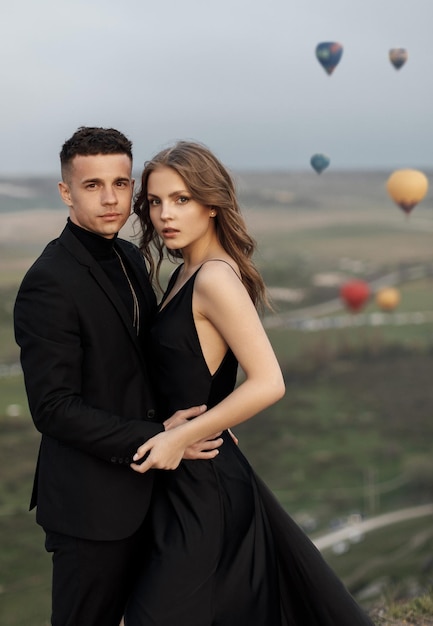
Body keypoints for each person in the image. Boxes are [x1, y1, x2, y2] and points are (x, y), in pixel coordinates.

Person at [123, 141, 375, 625]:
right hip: (184, 478)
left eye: (181, 199)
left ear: (211, 203)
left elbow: (268, 382)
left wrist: (183, 433)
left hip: (205, 484)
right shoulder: (184, 272)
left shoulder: (215, 277)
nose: (164, 215)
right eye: (155, 202)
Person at [13, 127, 222, 626]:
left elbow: (148, 362)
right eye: (92, 186)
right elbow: (54, 409)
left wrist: (207, 414)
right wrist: (160, 438)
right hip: (91, 510)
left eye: (122, 184)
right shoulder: (48, 282)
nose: (111, 199)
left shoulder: (129, 257)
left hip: (154, 492)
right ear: (66, 191)